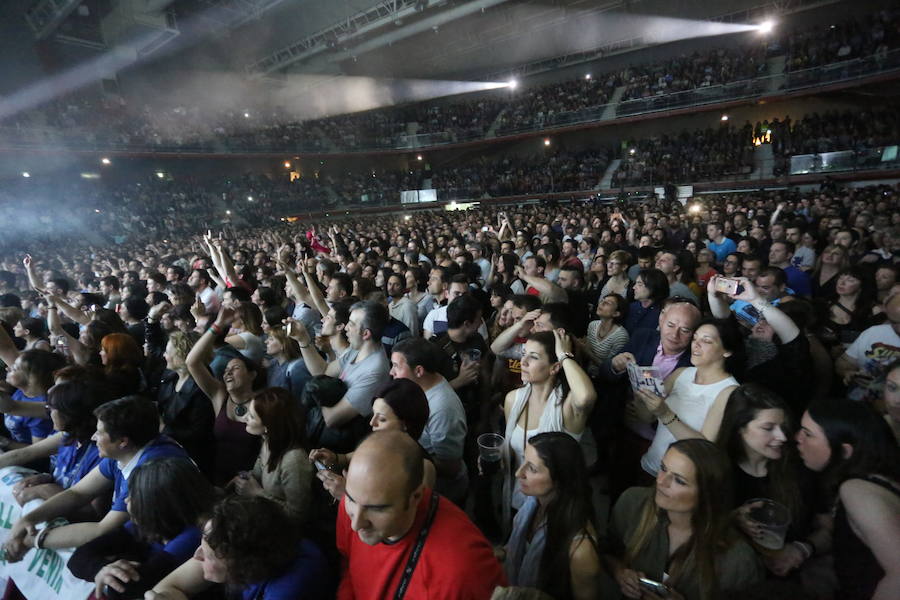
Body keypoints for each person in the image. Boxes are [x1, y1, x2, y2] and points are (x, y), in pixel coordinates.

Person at [3, 395, 189, 560]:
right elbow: (78, 493)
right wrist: (27, 520)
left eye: (100, 433)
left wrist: (33, 540)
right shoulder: (126, 451)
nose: (93, 437)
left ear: (123, 442)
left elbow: (104, 529)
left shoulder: (149, 468)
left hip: (164, 553)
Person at [335, 430, 506, 599]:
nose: (355, 524)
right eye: (350, 499)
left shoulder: (465, 571)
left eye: (377, 509)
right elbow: (347, 564)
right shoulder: (354, 503)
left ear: (416, 496)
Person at [604, 439, 763, 600]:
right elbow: (606, 551)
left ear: (706, 495)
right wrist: (620, 572)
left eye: (679, 480)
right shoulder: (633, 502)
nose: (661, 481)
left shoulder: (738, 560)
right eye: (663, 468)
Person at [68, 458, 215, 600]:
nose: (126, 501)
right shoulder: (143, 524)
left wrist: (111, 572)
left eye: (134, 496)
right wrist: (101, 569)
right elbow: (78, 558)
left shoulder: (193, 537)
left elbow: (125, 588)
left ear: (157, 505)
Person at [715, 384, 823, 578]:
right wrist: (731, 520)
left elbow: (828, 526)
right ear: (740, 428)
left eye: (783, 427)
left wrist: (801, 549)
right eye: (768, 428)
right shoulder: (717, 471)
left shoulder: (800, 467)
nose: (782, 437)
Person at [796, 400, 900, 600]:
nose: (797, 438)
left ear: (844, 451)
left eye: (807, 434)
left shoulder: (857, 490)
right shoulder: (874, 477)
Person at [147, 495, 332, 600]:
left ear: (242, 562)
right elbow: (166, 587)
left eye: (209, 555)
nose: (197, 555)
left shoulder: (291, 588)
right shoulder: (226, 544)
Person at [502, 330, 597, 519]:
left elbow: (586, 396)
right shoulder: (513, 399)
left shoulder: (567, 407)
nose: (523, 362)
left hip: (556, 505)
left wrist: (564, 355)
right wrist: (498, 456)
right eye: (523, 354)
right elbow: (514, 448)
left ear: (554, 367)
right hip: (519, 495)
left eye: (534, 357)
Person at [635, 317, 743, 477]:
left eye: (706, 341)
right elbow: (647, 417)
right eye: (695, 338)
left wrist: (665, 413)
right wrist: (641, 394)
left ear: (727, 351)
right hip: (650, 464)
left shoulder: (729, 391)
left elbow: (705, 448)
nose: (696, 345)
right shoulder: (681, 373)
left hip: (681, 478)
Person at [503, 432, 603, 600]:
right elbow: (516, 550)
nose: (519, 473)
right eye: (523, 461)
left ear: (560, 478)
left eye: (532, 469)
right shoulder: (532, 504)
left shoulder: (581, 551)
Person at [186, 306, 262, 485]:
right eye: (226, 370)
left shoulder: (263, 402)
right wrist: (217, 326)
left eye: (235, 368)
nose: (228, 373)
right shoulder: (220, 396)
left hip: (251, 483)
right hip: (217, 478)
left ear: (252, 374)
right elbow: (192, 362)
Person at [390, 337, 468, 505]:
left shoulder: (442, 409)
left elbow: (450, 467)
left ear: (419, 371)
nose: (391, 372)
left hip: (443, 493)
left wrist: (405, 448)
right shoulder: (419, 385)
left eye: (396, 366)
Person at [0, 378, 102, 504]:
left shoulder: (102, 453)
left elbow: (93, 513)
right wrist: (46, 479)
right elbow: (24, 453)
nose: (49, 413)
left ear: (70, 414)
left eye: (52, 409)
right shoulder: (67, 435)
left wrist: (45, 490)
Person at [290, 300, 391, 427]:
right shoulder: (356, 349)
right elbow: (323, 371)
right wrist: (302, 338)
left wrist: (317, 397)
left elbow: (333, 419)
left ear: (366, 334)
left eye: (352, 324)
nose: (346, 327)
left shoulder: (374, 371)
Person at [229, 387, 313, 524]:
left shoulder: (294, 461)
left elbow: (297, 515)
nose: (244, 418)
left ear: (268, 425)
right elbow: (257, 474)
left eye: (251, 416)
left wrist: (257, 493)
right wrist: (241, 478)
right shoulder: (268, 442)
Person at [156, 330, 215, 477]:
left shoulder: (202, 387)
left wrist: (164, 428)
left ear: (183, 355)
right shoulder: (170, 377)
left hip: (191, 459)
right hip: (168, 448)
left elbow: (199, 433)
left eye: (168, 352)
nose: (164, 355)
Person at [584, 293, 629, 377]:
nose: (602, 303)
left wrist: (586, 351)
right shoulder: (592, 325)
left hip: (604, 378)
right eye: (602, 300)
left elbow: (609, 367)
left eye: (608, 303)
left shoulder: (620, 336)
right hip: (586, 372)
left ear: (616, 313)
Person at [264, 325, 312, 401]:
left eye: (271, 339)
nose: (266, 342)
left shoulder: (297, 368)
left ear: (283, 344)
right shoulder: (273, 363)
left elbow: (302, 400)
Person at [624, 268, 669, 335]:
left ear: (653, 287)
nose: (634, 287)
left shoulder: (662, 314)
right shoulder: (631, 307)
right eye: (635, 283)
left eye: (639, 284)